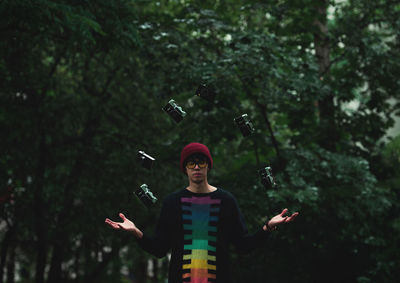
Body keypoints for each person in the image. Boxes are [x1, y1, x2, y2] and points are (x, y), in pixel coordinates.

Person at [105, 142, 299, 283]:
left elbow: (243, 245)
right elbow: (159, 249)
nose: (197, 167)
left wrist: (267, 227)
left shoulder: (226, 201)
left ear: (208, 165)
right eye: (191, 163)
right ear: (185, 168)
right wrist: (135, 231)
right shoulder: (172, 203)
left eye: (201, 162)